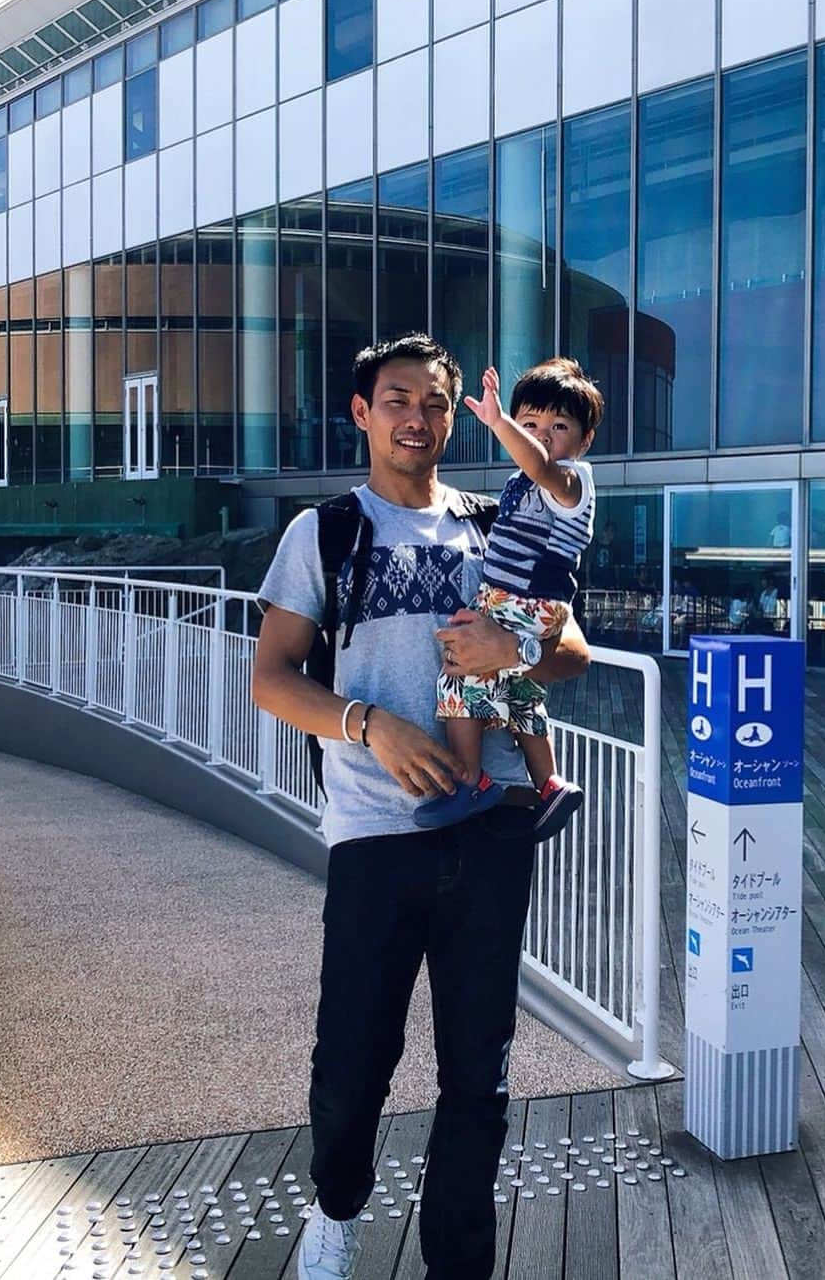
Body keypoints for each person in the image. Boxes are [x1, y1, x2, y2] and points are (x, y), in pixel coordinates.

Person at [251, 334, 590, 1280]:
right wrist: (370, 724)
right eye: (397, 399)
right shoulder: (325, 531)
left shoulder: (502, 516)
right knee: (355, 1057)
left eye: (436, 403)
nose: (418, 418)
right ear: (362, 413)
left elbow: (575, 654)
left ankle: (458, 1262)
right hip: (374, 830)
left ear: (453, 416)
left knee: (477, 1069)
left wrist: (514, 648)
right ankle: (339, 1205)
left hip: (492, 823)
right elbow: (272, 679)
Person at [415, 360, 600, 837]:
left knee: (461, 674)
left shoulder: (569, 480)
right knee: (519, 691)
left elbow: (537, 461)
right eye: (532, 424)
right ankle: (550, 783)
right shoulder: (525, 483)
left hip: (527, 598)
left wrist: (500, 423)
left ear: (584, 440)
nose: (543, 437)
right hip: (518, 599)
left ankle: (468, 781)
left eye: (558, 427)